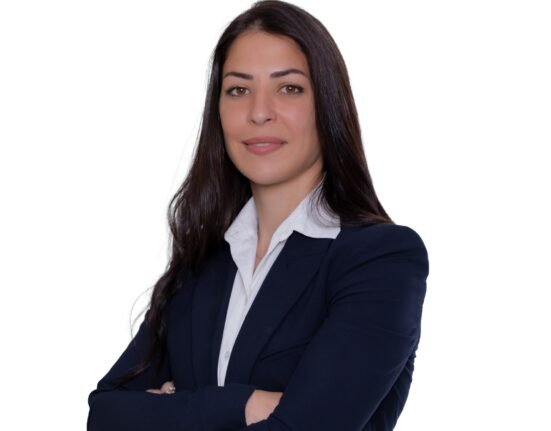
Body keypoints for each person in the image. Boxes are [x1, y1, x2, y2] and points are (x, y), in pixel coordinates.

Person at [86, 1, 429, 430]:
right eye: (238, 90)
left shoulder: (380, 259)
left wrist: (172, 410)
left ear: (327, 104)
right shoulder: (200, 267)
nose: (259, 112)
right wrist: (242, 405)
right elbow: (104, 414)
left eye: (289, 88)